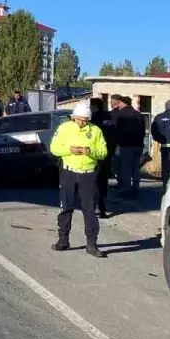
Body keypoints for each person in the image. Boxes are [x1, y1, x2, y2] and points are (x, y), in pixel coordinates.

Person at [49, 101, 108, 258]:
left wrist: (90, 151)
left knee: (89, 210)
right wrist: (69, 150)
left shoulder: (95, 131)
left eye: (85, 120)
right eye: (79, 119)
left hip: (88, 174)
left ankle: (91, 244)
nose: (82, 123)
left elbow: (103, 152)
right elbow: (54, 148)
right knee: (66, 207)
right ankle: (63, 240)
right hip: (69, 172)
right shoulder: (64, 128)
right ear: (74, 117)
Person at [111, 95, 145, 197]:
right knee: (135, 168)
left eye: (119, 103)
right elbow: (143, 130)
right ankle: (135, 188)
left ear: (121, 102)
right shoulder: (138, 114)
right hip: (138, 145)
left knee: (125, 168)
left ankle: (126, 190)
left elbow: (115, 130)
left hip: (125, 145)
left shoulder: (120, 115)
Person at [90, 96, 115, 218]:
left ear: (94, 107)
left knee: (93, 183)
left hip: (95, 155)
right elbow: (114, 136)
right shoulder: (109, 118)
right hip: (107, 155)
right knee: (103, 184)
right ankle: (103, 209)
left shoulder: (93, 120)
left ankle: (93, 208)